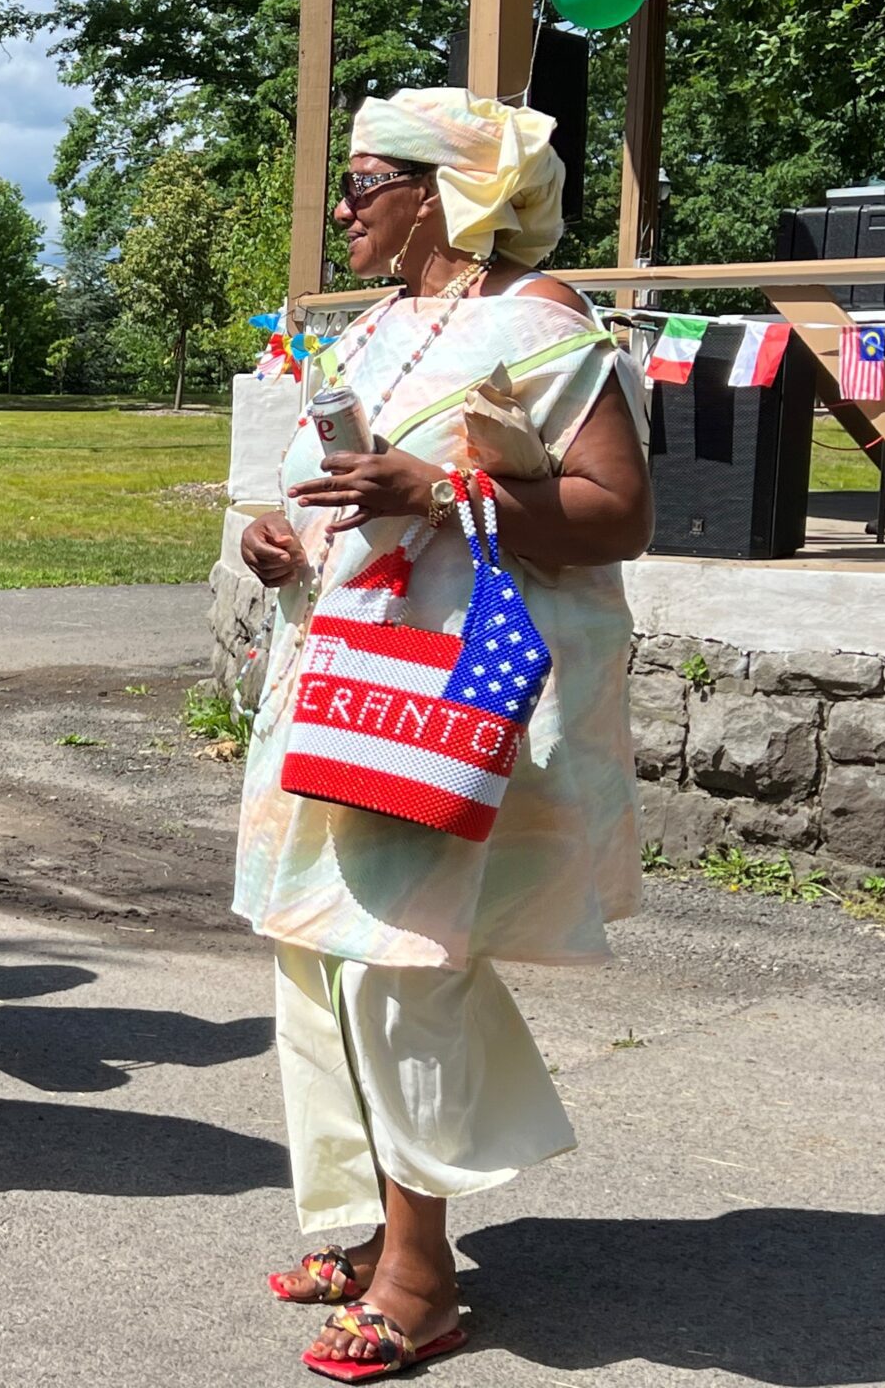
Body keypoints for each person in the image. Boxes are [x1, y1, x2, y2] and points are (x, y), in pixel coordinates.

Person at [235, 87, 650, 1379]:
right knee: (308, 951)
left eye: (366, 180)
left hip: (447, 691)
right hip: (339, 669)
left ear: (442, 192)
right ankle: (356, 1228)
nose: (343, 205)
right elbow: (330, 492)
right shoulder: (371, 331)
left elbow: (616, 512)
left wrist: (445, 490)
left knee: (396, 961)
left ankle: (422, 1277)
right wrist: (276, 538)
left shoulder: (541, 320)